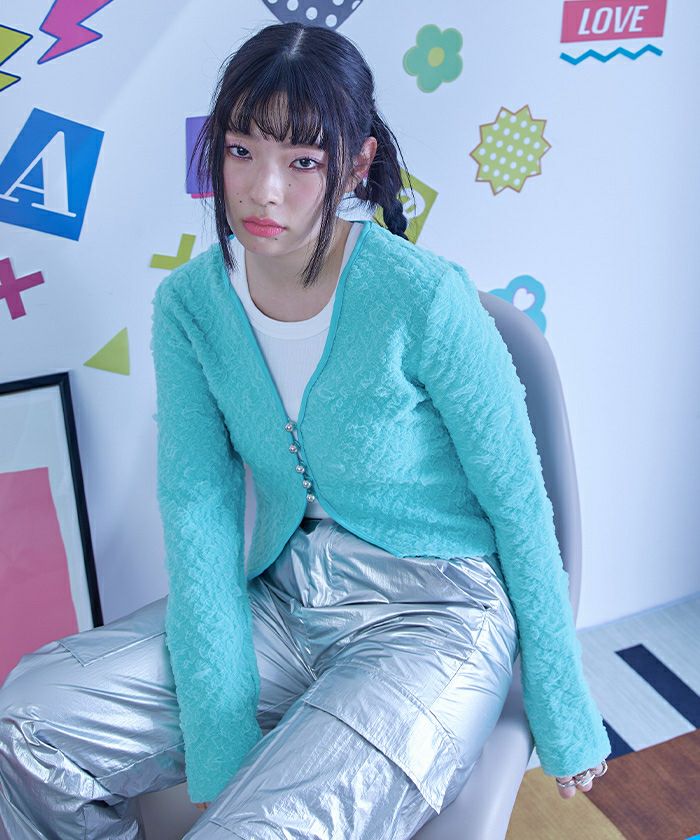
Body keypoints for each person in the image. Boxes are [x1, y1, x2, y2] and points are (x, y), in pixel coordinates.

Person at [0, 21, 609, 840]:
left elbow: (520, 504)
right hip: (286, 599)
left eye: (302, 162)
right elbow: (200, 512)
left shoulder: (424, 297)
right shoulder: (192, 306)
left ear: (355, 165)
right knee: (28, 721)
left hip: (436, 617)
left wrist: (563, 712)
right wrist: (219, 740)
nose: (263, 191)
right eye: (241, 151)